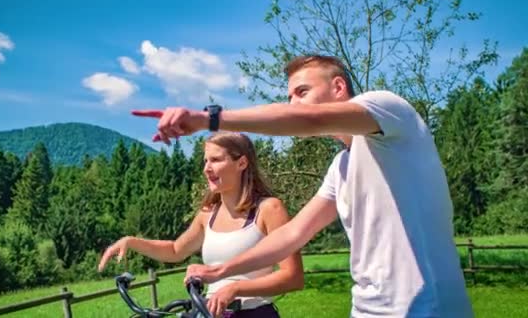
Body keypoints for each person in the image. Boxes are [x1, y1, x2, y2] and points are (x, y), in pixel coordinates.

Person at [132, 55, 475, 317]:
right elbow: (292, 235)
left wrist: (209, 120)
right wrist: (223, 270)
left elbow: (308, 119)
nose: (293, 103)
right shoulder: (341, 167)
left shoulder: (389, 110)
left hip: (428, 308)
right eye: (290, 97)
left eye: (302, 92)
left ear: (338, 88)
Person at [98, 132, 304, 317]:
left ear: (242, 163)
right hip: (209, 312)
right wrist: (131, 241)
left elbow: (292, 277)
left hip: (254, 313)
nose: (207, 168)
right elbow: (175, 250)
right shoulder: (208, 214)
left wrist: (236, 288)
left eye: (215, 160)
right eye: (205, 161)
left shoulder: (269, 209)